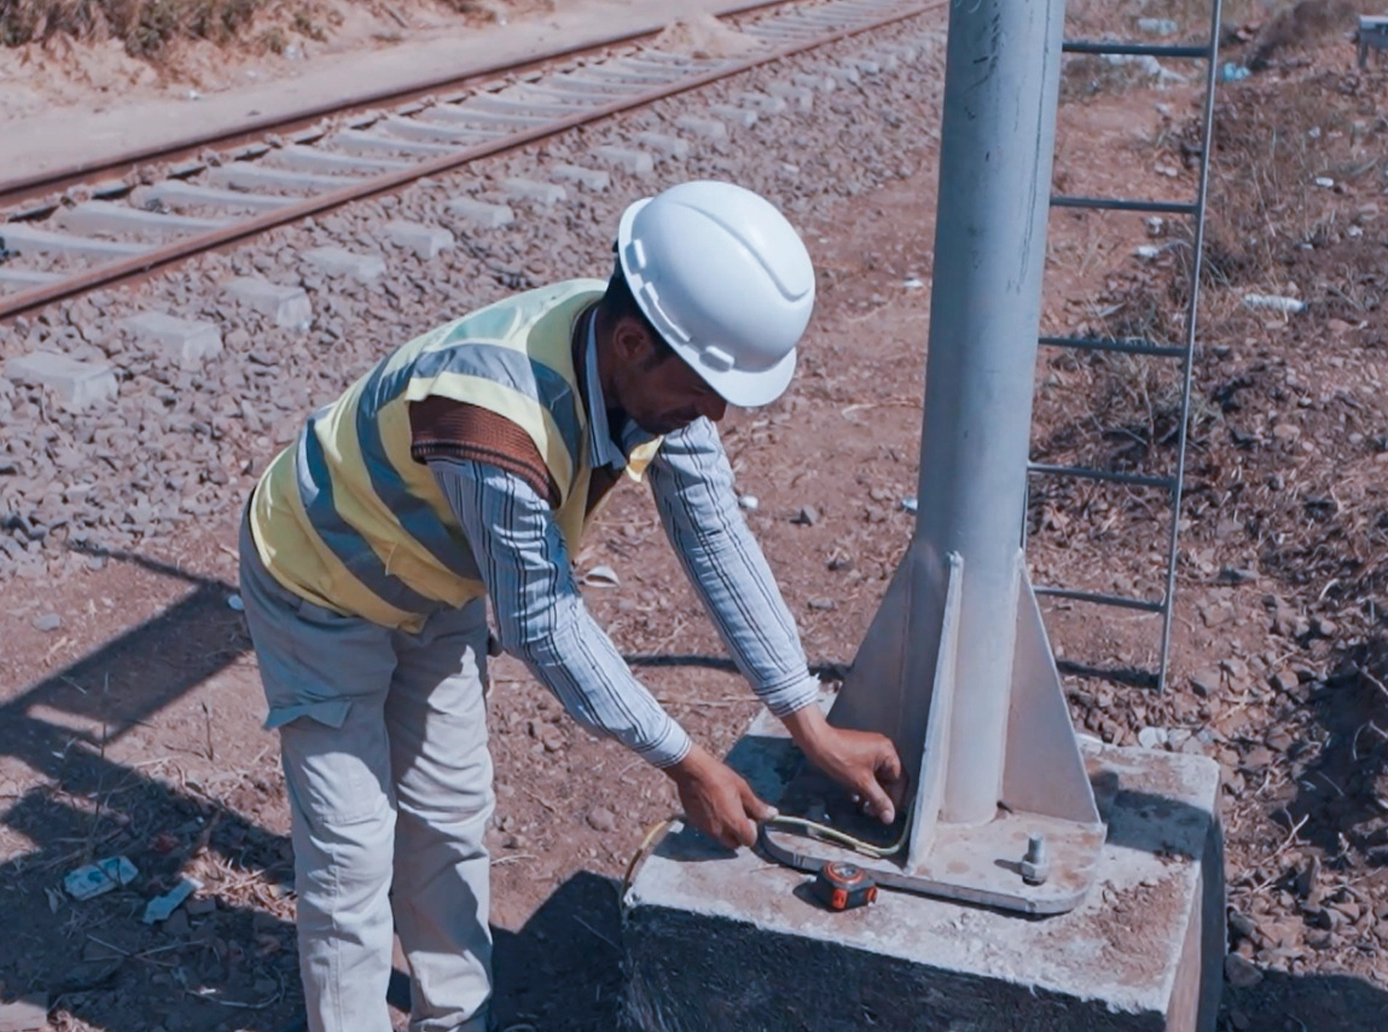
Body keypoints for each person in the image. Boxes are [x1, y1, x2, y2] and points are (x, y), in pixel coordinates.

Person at [238, 180, 906, 1032]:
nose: (716, 412)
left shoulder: (647, 362)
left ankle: (458, 1022)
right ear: (632, 342)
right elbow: (542, 623)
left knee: (449, 816)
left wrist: (806, 720)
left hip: (436, 581)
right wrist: (686, 763)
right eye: (707, 388)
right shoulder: (494, 419)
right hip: (319, 582)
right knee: (352, 852)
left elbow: (715, 537)